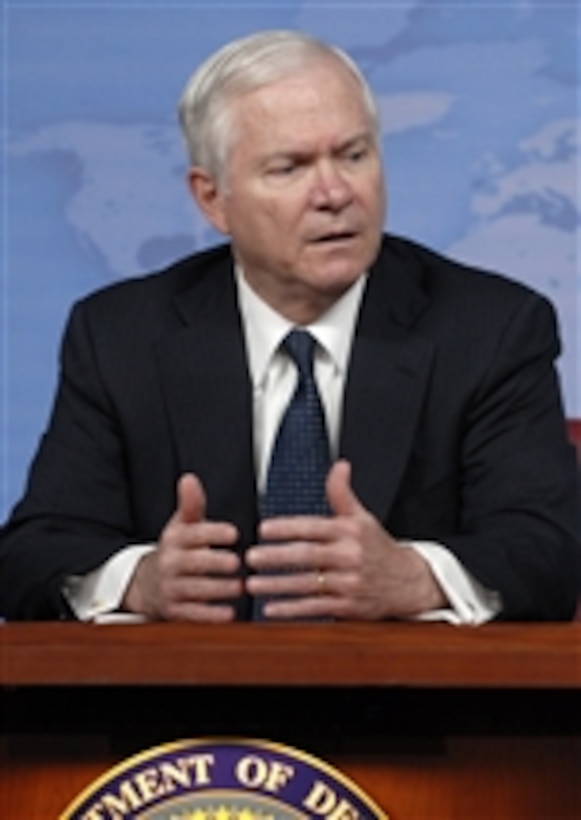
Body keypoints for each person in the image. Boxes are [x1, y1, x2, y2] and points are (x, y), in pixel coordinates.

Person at [0, 30, 578, 622]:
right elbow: (32, 557)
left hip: (406, 703)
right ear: (212, 199)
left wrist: (414, 577)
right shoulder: (121, 336)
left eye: (353, 155)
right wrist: (140, 583)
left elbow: (549, 554)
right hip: (192, 704)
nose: (334, 193)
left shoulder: (491, 329)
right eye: (290, 167)